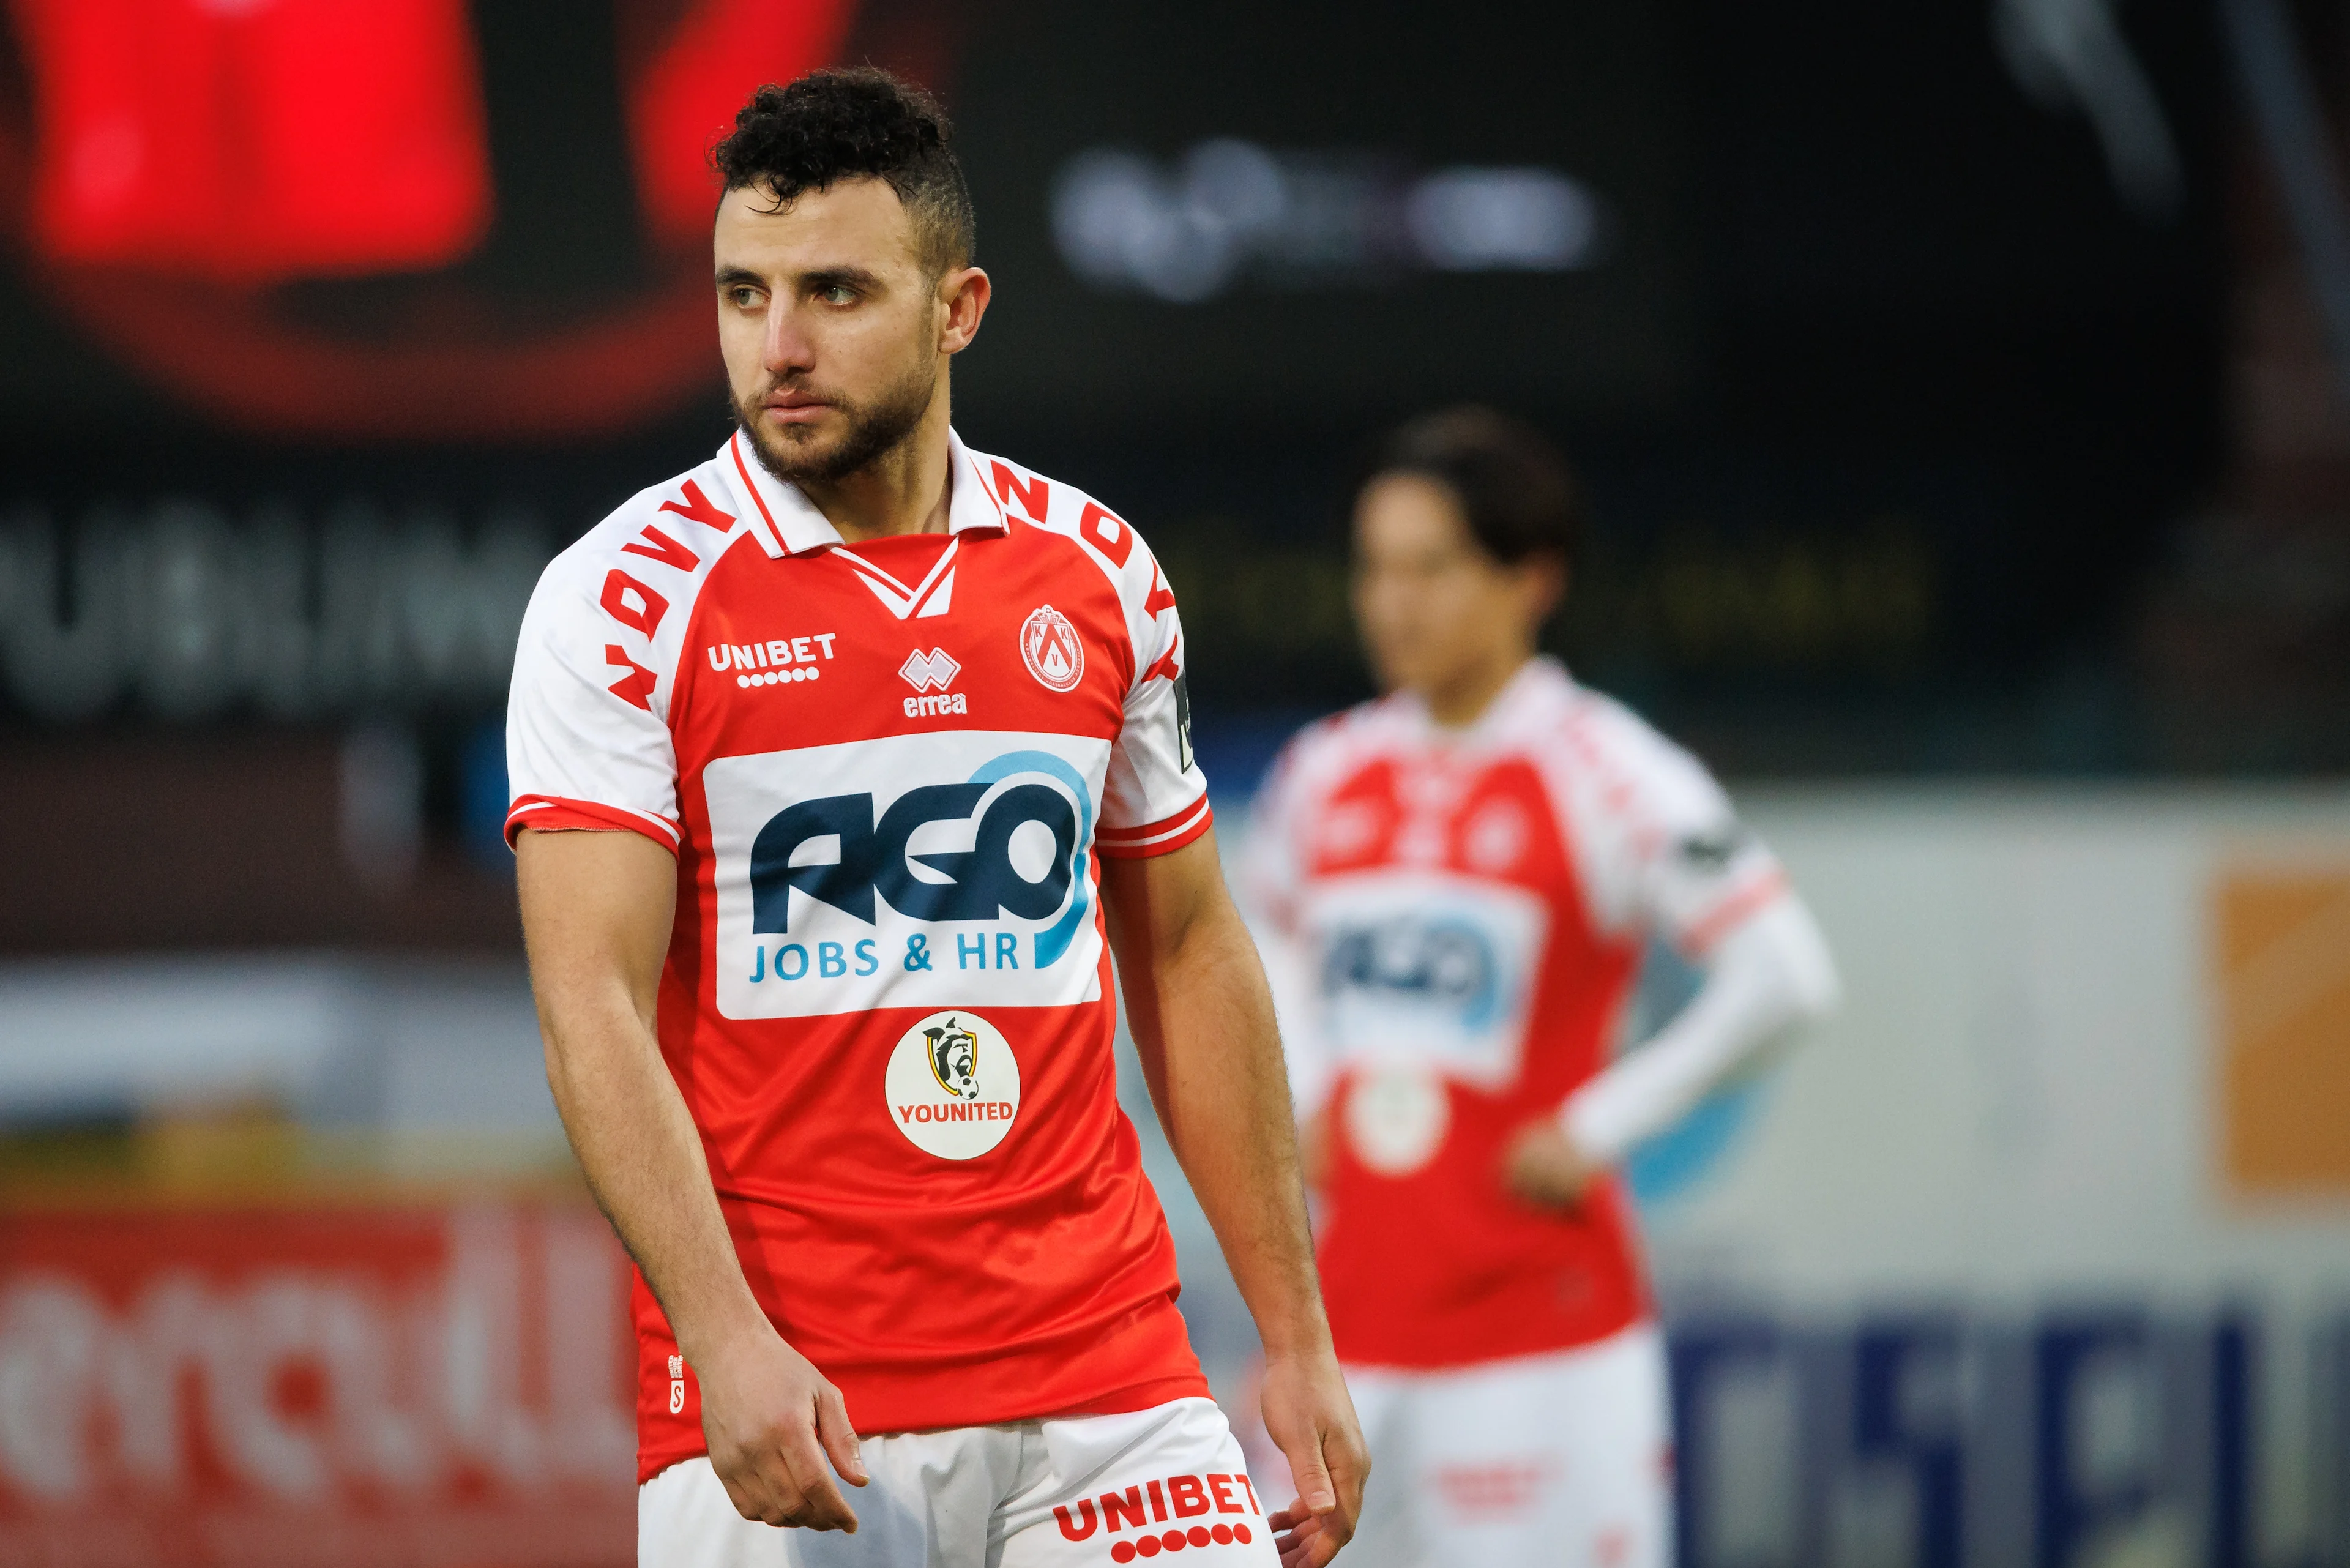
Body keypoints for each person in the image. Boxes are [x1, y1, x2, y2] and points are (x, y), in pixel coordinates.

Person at [504, 69, 1366, 1568]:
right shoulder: (624, 599)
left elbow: (1191, 953)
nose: (777, 347)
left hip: (1113, 1384)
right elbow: (591, 1005)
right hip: (801, 1406)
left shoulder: (1099, 571)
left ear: (959, 308)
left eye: (833, 292)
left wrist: (1296, 1334)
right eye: (741, 293)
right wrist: (722, 1341)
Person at [1244, 409, 1838, 1568]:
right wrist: (1303, 1087)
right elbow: (1258, 929)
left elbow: (1786, 976)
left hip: (1543, 1339)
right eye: (1374, 569)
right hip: (1344, 1333)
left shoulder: (1607, 768)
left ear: (1531, 578)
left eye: (1432, 568)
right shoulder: (1328, 770)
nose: (1392, 602)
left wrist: (1599, 1122)